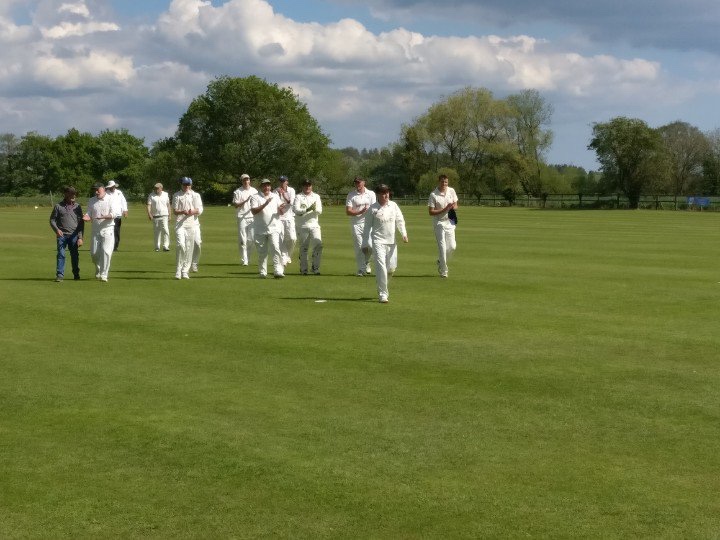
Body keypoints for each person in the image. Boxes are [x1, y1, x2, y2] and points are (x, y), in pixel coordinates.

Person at [362, 184, 408, 303]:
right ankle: (383, 294)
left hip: (391, 241)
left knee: (391, 269)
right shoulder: (372, 209)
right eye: (383, 193)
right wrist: (365, 243)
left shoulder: (393, 205)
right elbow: (367, 227)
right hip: (378, 241)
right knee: (381, 267)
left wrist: (404, 233)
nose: (386, 195)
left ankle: (381, 284)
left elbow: (400, 220)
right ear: (378, 194)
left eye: (387, 192)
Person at [251, 178, 286, 278]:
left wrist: (280, 209)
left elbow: (281, 212)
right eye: (264, 185)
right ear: (261, 186)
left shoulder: (275, 196)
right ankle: (263, 272)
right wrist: (265, 203)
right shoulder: (255, 197)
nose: (266, 187)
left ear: (270, 187)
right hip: (260, 229)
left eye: (268, 185)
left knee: (275, 248)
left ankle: (277, 271)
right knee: (262, 252)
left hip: (274, 227)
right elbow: (254, 211)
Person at [49, 186, 84, 281]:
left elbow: (81, 223)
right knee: (61, 254)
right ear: (66, 194)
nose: (74, 196)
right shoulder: (58, 206)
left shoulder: (78, 207)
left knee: (75, 255)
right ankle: (60, 275)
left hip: (74, 236)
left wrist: (80, 237)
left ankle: (76, 273)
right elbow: (52, 220)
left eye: (75, 194)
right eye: (72, 194)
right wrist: (56, 230)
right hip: (62, 235)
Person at [428, 174, 458, 278]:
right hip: (439, 222)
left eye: (446, 182)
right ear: (438, 182)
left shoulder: (451, 191)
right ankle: (443, 271)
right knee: (442, 247)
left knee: (452, 246)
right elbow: (431, 212)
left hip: (450, 221)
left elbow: (456, 205)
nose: (444, 184)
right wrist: (445, 209)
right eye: (442, 182)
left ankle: (440, 260)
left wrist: (453, 207)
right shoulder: (433, 194)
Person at [172, 176, 203, 279]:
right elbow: (175, 211)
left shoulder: (195, 195)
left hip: (191, 223)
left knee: (189, 247)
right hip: (180, 223)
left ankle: (185, 270)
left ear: (191, 185)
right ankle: (178, 269)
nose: (186, 187)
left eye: (188, 185)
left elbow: (199, 209)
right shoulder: (176, 195)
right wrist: (183, 212)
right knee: (181, 245)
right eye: (185, 185)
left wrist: (192, 211)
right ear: (181, 185)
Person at [83, 182, 115, 282]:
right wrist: (86, 217)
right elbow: (89, 213)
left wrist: (104, 217)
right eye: (95, 190)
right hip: (95, 230)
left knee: (106, 252)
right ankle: (98, 269)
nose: (96, 192)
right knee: (94, 254)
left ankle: (104, 274)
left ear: (103, 189)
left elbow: (114, 213)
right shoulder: (91, 200)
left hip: (108, 229)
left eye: (98, 190)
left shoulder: (111, 199)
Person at [346, 176, 376, 276]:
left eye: (359, 182)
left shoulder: (371, 194)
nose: (357, 184)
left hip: (369, 223)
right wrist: (360, 212)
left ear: (364, 182)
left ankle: (367, 262)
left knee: (370, 246)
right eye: (356, 182)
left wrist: (370, 212)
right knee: (359, 247)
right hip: (356, 224)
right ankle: (361, 269)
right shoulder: (351, 195)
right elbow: (348, 211)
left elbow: (375, 208)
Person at [293, 179, 323, 275]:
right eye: (305, 185)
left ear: (311, 186)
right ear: (302, 186)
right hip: (302, 226)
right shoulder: (298, 197)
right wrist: (308, 209)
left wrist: (313, 209)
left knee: (318, 245)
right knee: (304, 248)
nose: (307, 187)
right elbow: (296, 210)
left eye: (309, 185)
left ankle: (315, 268)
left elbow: (319, 210)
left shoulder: (316, 196)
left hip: (314, 225)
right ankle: (304, 269)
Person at [232, 173, 257, 266]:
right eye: (244, 180)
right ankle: (244, 260)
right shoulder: (238, 191)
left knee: (251, 239)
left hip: (252, 217)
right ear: (242, 181)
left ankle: (248, 258)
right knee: (243, 239)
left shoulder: (254, 191)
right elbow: (235, 205)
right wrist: (246, 201)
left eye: (247, 179)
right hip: (241, 216)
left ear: (249, 180)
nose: (246, 181)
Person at [274, 175, 296, 266]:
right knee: (281, 239)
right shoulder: (275, 191)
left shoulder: (291, 190)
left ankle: (288, 256)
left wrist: (283, 195)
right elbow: (276, 205)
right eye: (281, 181)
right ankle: (283, 257)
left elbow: (291, 203)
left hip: (289, 217)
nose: (282, 183)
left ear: (287, 182)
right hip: (279, 218)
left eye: (284, 181)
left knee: (292, 238)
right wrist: (280, 206)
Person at [146, 182, 171, 252]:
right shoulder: (151, 195)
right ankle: (157, 247)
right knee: (157, 232)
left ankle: (166, 246)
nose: (156, 189)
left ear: (161, 188)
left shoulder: (166, 194)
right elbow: (149, 205)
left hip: (164, 215)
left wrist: (170, 215)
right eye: (155, 188)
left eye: (157, 188)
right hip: (156, 216)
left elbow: (168, 205)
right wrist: (149, 214)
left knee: (166, 230)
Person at [105, 180, 128, 251]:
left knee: (116, 231)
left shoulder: (119, 192)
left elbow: (123, 201)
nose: (112, 188)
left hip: (117, 215)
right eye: (111, 187)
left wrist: (125, 210)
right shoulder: (106, 193)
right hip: (109, 215)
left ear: (114, 186)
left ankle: (115, 246)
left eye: (113, 186)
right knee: (109, 231)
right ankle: (109, 245)